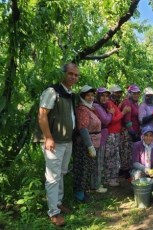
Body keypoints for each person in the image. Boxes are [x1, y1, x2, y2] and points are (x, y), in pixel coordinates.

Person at [35, 63, 79, 226]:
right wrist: (48, 137)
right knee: (53, 177)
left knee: (61, 172)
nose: (73, 77)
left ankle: (58, 203)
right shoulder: (52, 91)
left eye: (76, 75)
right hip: (54, 142)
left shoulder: (68, 93)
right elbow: (42, 115)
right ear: (63, 74)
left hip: (67, 140)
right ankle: (53, 212)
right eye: (70, 74)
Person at [72, 85, 103, 202]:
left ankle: (84, 191)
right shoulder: (82, 109)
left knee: (88, 168)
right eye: (88, 95)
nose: (90, 97)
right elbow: (83, 128)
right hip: (84, 144)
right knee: (82, 169)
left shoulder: (90, 108)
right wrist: (89, 146)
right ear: (83, 96)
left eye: (92, 95)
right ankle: (79, 194)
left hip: (93, 142)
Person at [104, 85, 129, 187]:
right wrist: (123, 112)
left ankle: (112, 178)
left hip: (116, 133)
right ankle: (108, 179)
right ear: (112, 93)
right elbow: (112, 120)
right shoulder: (109, 103)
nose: (118, 94)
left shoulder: (114, 104)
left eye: (120, 93)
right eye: (116, 93)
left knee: (114, 156)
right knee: (110, 156)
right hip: (111, 133)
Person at [93, 87, 113, 193]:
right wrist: (111, 113)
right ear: (98, 96)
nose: (105, 98)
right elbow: (105, 120)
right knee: (98, 162)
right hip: (98, 138)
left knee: (99, 161)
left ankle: (96, 183)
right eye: (102, 96)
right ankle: (96, 185)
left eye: (107, 96)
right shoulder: (97, 106)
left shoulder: (102, 106)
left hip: (101, 137)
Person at [119, 84, 141, 178]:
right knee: (126, 151)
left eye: (137, 93)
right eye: (134, 93)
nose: (136, 95)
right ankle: (125, 171)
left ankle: (128, 170)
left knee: (130, 151)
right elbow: (127, 120)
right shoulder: (127, 102)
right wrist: (132, 133)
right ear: (130, 93)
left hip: (134, 130)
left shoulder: (135, 103)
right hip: (127, 131)